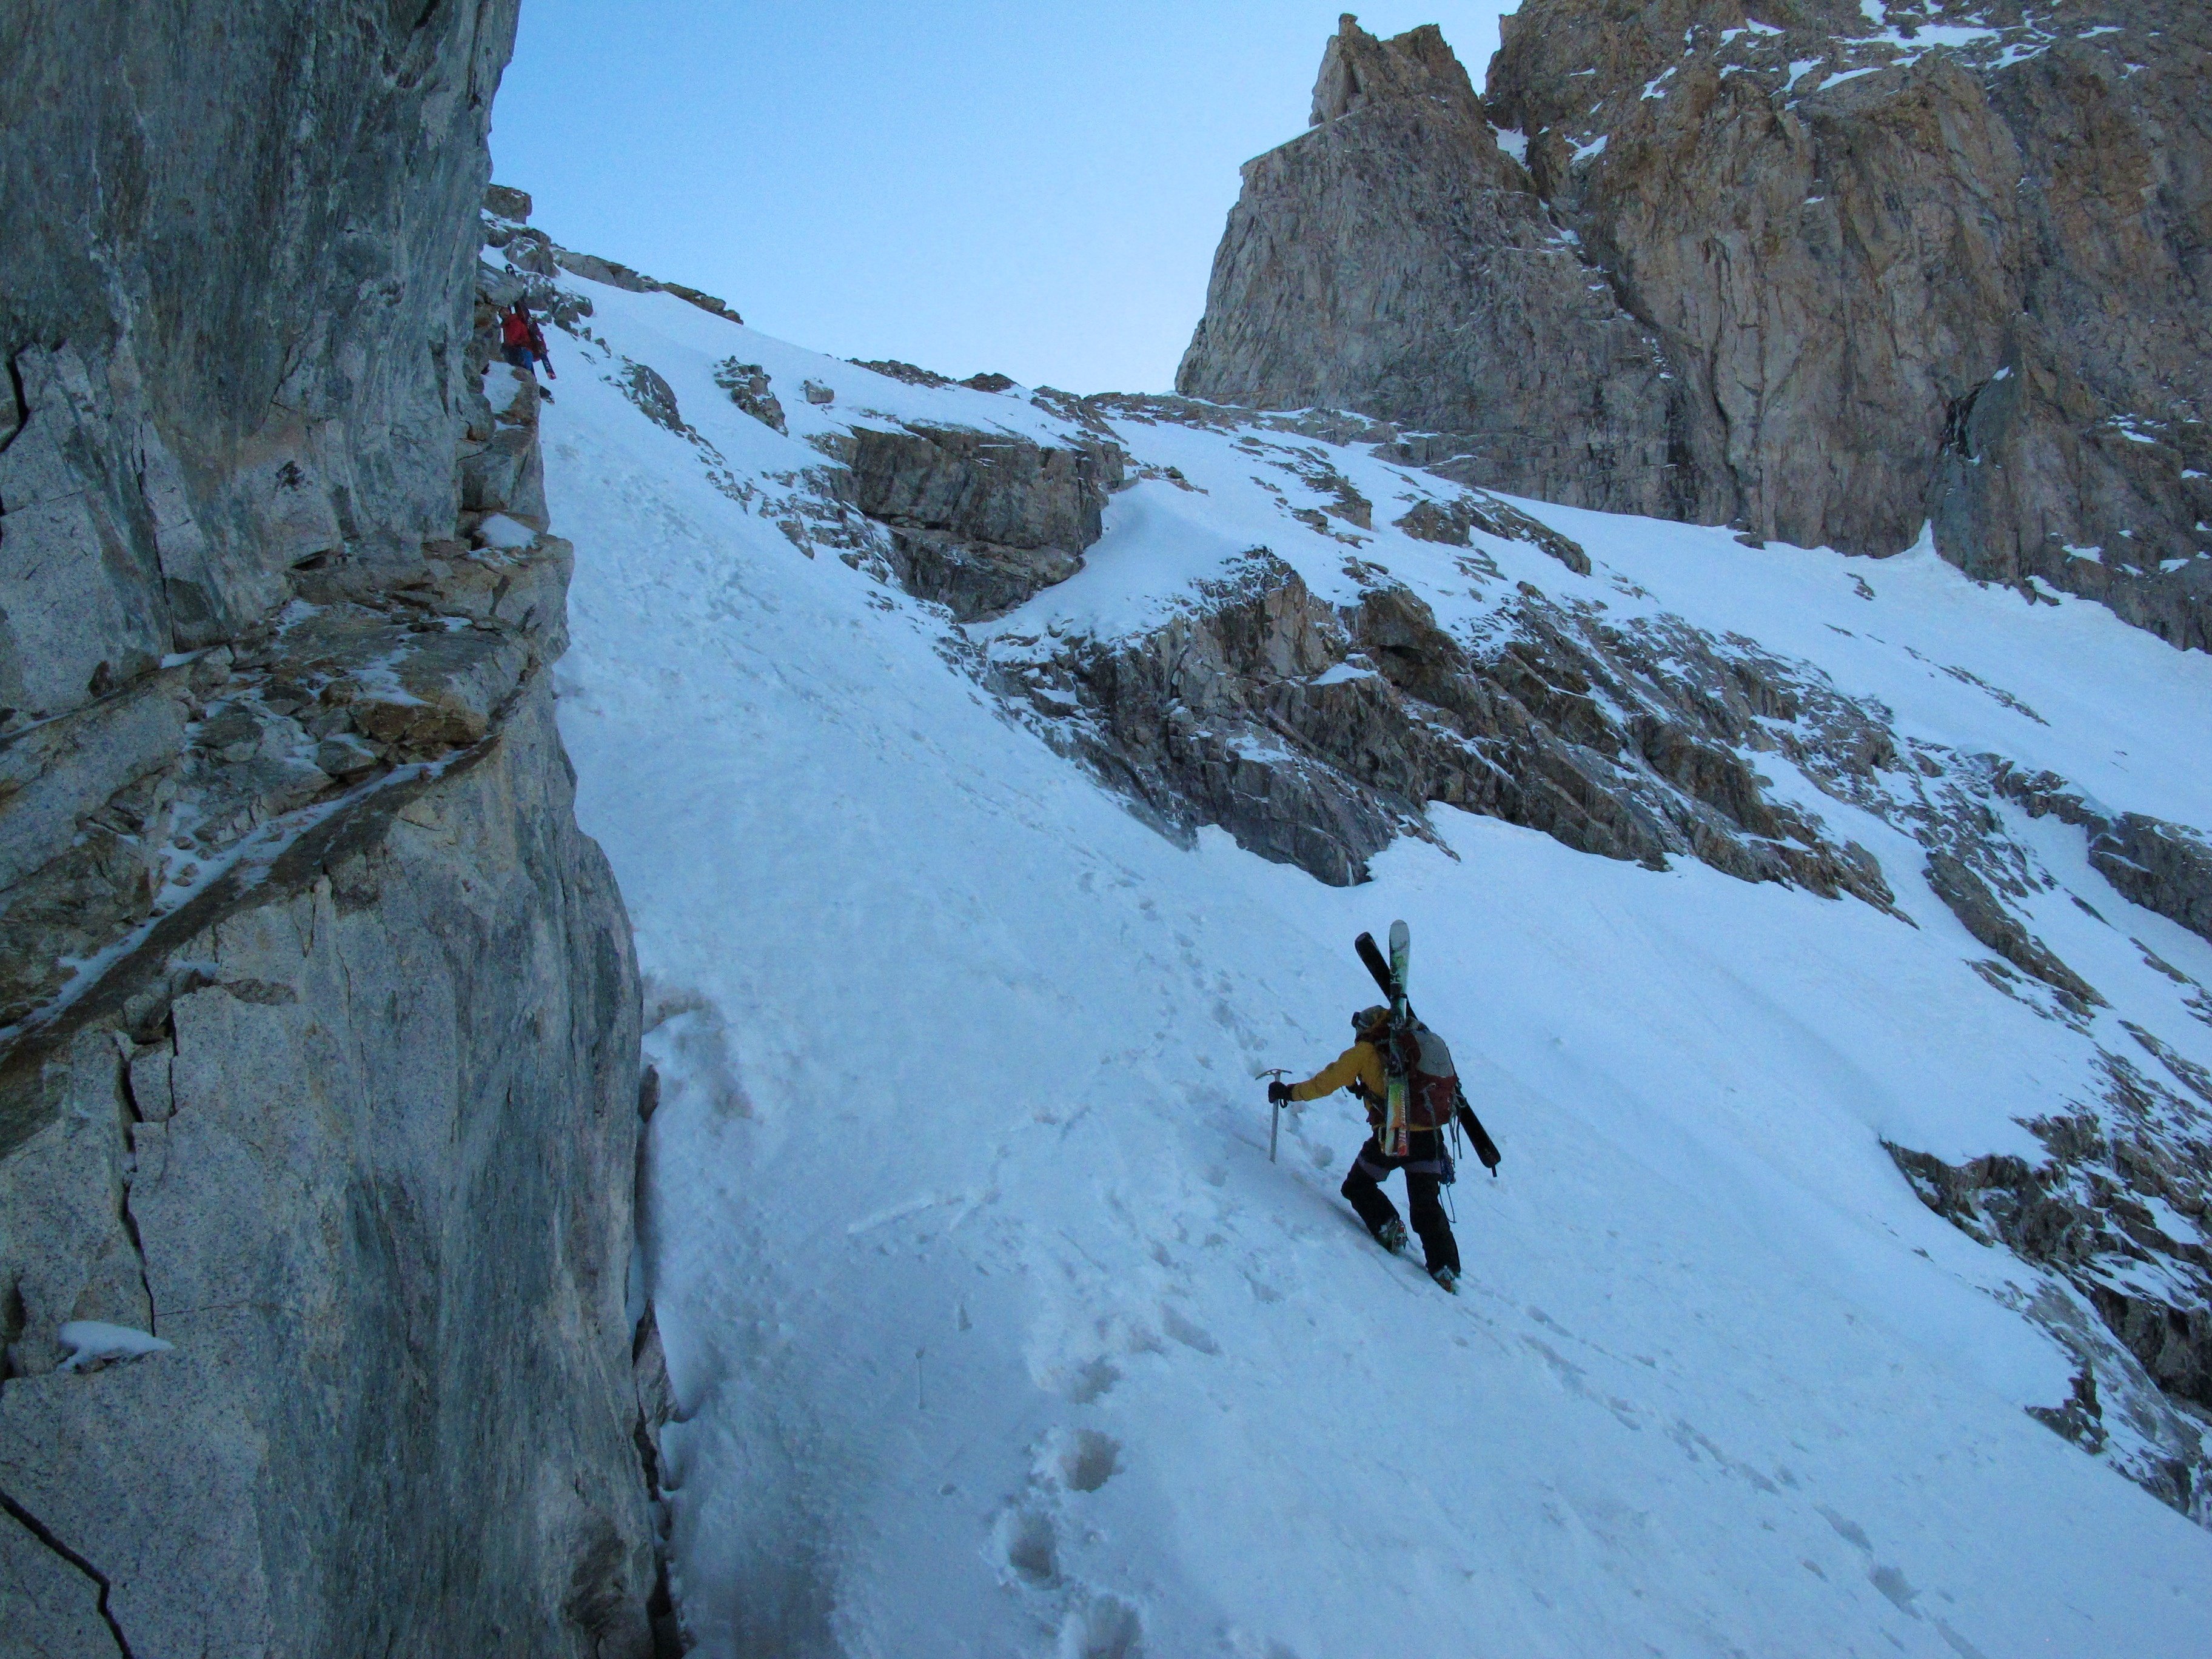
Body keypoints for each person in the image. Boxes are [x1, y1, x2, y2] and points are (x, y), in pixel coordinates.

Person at [1271, 1007, 1463, 1292]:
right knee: (1426, 1205)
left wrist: (1289, 1092)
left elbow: (1325, 1083)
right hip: (1430, 1138)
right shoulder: (1417, 1042)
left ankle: (1389, 1227)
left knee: (1358, 1186)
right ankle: (1446, 1269)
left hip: (1394, 1137)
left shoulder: (1364, 1051)